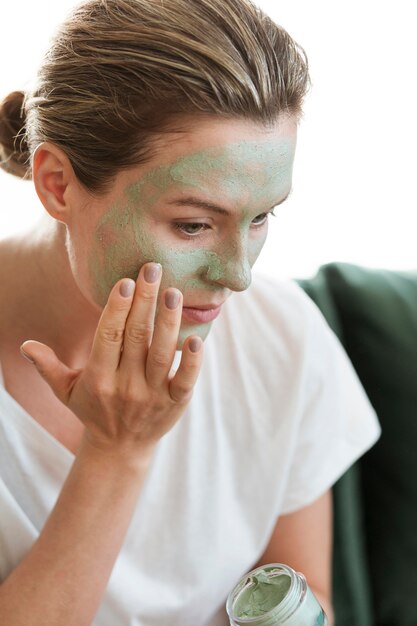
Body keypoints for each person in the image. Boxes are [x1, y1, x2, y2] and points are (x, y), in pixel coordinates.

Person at [0, 0, 380, 624]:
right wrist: (116, 451)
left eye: (260, 218)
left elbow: (304, 589)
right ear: (57, 185)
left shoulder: (283, 336)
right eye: (194, 224)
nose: (239, 275)